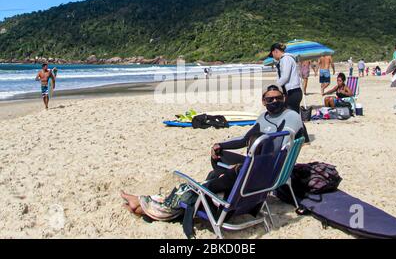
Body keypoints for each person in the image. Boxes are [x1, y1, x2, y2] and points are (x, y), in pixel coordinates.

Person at [120, 85, 304, 218]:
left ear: (284, 99)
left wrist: (247, 163)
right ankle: (219, 180)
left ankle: (146, 202)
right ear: (263, 101)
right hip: (255, 169)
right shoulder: (262, 117)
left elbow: (283, 139)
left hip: (261, 169)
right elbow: (243, 139)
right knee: (219, 156)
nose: (274, 101)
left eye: (278, 98)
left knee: (203, 186)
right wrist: (221, 145)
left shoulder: (291, 116)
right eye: (269, 99)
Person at [269, 43, 310, 143]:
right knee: (294, 115)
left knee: (292, 116)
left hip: (293, 92)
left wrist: (275, 88)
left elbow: (285, 77)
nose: (273, 57)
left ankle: (301, 138)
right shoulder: (286, 59)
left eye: (272, 55)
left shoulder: (286, 59)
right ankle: (304, 138)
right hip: (293, 92)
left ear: (275, 51)